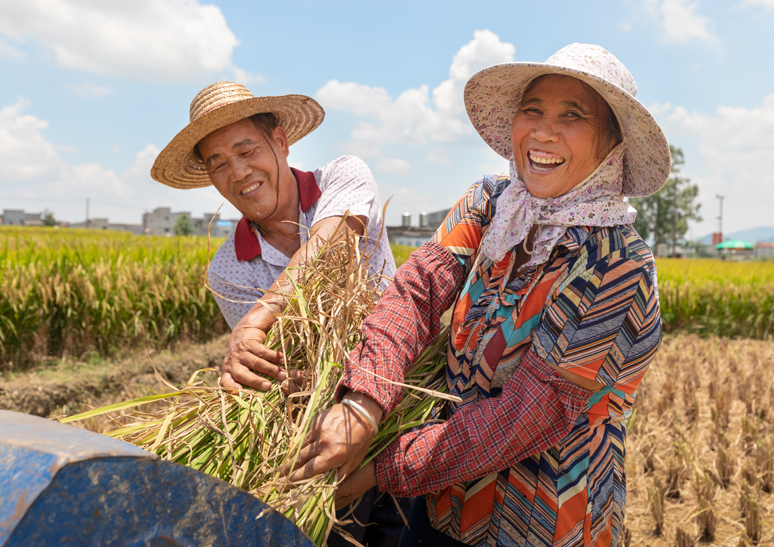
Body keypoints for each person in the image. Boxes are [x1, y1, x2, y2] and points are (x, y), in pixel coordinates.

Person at [286, 43, 671, 546]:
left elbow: (526, 416)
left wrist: (380, 471)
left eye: (572, 115)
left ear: (611, 145)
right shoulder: (492, 202)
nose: (543, 131)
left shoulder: (616, 264)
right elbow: (417, 292)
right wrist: (362, 403)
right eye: (532, 109)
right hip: (443, 499)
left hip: (540, 520)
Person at [150, 82, 405, 546]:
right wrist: (277, 378)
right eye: (218, 164)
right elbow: (281, 369)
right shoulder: (227, 269)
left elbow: (328, 246)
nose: (239, 172)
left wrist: (256, 319)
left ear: (281, 141)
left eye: (247, 150)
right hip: (325, 428)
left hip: (404, 391)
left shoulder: (342, 177)